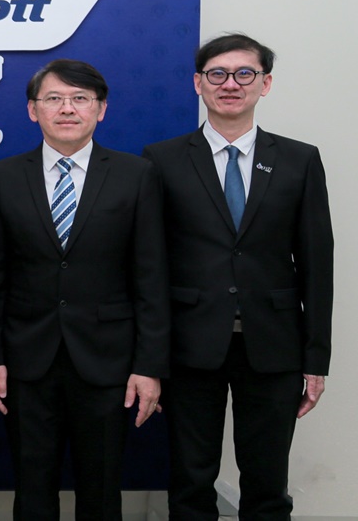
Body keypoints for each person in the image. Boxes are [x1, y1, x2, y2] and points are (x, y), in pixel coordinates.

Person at [143, 33, 333, 519]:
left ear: (265, 84)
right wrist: (150, 356)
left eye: (245, 73)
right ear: (198, 83)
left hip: (273, 344)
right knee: (190, 481)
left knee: (268, 484)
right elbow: (149, 264)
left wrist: (316, 358)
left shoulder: (299, 159)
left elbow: (317, 263)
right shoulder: (161, 160)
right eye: (218, 74)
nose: (231, 84)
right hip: (188, 345)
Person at [0, 59, 169, 519]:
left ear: (101, 109)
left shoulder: (135, 174)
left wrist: (149, 366)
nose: (67, 109)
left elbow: (151, 277)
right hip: (27, 360)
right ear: (33, 110)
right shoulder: (5, 176)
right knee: (32, 489)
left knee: (101, 490)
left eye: (80, 98)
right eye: (54, 98)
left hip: (109, 360)